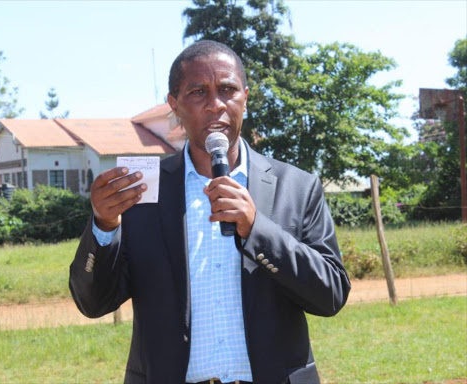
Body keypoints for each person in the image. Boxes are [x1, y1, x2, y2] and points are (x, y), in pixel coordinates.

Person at [69, 40, 350, 384]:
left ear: (245, 97)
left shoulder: (296, 186)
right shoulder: (143, 191)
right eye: (198, 92)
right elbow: (93, 302)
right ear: (175, 104)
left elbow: (331, 294)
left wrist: (256, 228)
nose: (216, 105)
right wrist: (104, 225)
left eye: (228, 90)